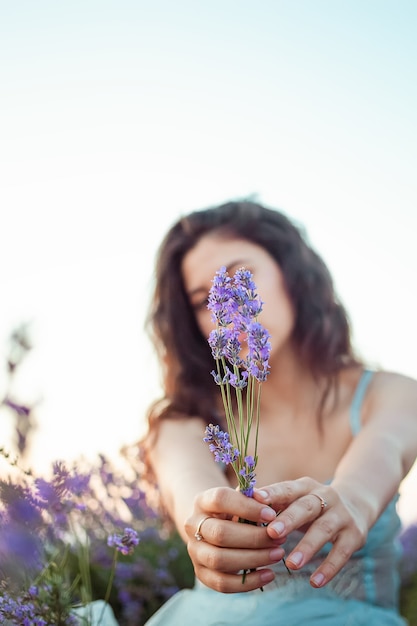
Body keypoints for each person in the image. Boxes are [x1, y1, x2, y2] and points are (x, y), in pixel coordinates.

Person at [140, 199, 417, 625]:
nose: (230, 311)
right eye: (205, 301)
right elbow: (190, 491)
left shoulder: (392, 394)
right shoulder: (182, 424)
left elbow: (385, 450)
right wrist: (205, 529)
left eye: (241, 278)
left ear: (291, 273)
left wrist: (354, 498)